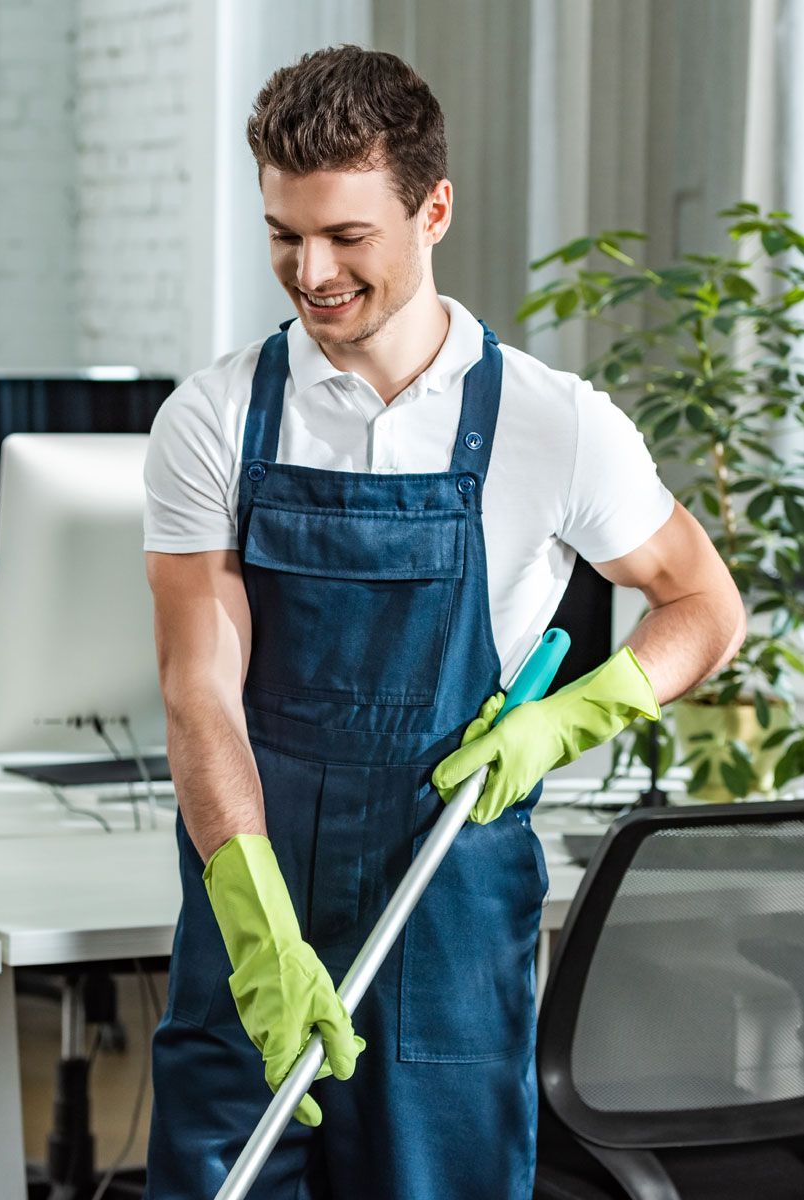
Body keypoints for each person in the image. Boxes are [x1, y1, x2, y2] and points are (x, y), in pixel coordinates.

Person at [142, 44, 746, 1200]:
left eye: (345, 236)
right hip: (251, 897)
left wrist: (568, 721)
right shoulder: (214, 420)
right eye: (282, 232)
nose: (308, 271)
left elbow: (702, 605)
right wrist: (257, 926)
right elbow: (197, 690)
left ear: (433, 210)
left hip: (447, 904)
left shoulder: (550, 424)